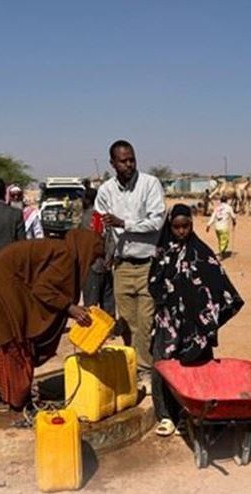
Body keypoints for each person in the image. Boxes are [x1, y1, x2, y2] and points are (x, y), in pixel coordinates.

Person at [0, 228, 103, 416]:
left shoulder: (62, 249)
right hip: (1, 284)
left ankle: (16, 398)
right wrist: (70, 308)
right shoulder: (66, 255)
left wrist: (70, 309)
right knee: (15, 341)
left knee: (15, 340)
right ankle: (18, 402)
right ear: (86, 250)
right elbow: (42, 290)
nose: (91, 263)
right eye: (93, 257)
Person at [149, 204, 244, 436]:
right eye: (177, 227)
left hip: (196, 327)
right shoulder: (162, 253)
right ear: (170, 227)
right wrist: (169, 299)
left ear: (191, 225)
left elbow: (220, 284)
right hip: (168, 323)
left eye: (186, 226)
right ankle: (166, 416)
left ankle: (189, 414)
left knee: (196, 368)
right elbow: (153, 282)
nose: (181, 231)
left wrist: (207, 318)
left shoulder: (201, 252)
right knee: (164, 367)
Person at [95, 140, 166, 377]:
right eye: (123, 161)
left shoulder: (150, 184)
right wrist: (106, 253)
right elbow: (102, 228)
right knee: (126, 323)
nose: (129, 165)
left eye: (132, 160)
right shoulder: (105, 191)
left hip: (147, 265)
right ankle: (132, 369)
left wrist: (124, 223)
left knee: (145, 323)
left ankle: (144, 371)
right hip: (122, 266)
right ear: (112, 163)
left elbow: (156, 222)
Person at [79, 187, 116, 317]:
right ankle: (110, 326)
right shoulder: (105, 216)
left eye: (83, 198)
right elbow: (112, 239)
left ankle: (93, 328)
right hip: (106, 263)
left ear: (87, 200)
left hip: (92, 264)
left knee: (91, 304)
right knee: (108, 301)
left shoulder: (88, 217)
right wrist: (109, 257)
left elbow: (86, 242)